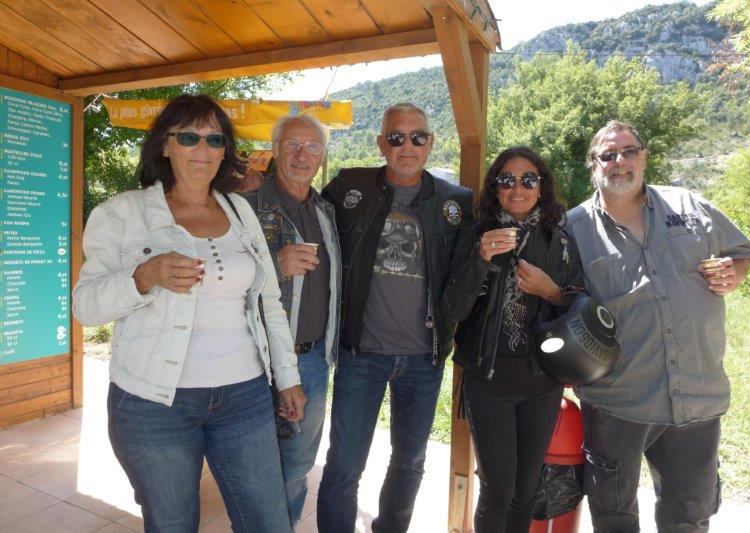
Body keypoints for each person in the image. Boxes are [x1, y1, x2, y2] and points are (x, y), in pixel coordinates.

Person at [72, 94, 305, 533]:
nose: (203, 149)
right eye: (189, 137)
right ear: (164, 144)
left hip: (245, 395)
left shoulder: (239, 210)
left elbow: (268, 300)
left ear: (225, 151)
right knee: (173, 523)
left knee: (269, 521)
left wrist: (287, 376)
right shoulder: (122, 213)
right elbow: (85, 306)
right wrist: (144, 276)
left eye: (215, 139)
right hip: (155, 403)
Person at [566, 120, 750, 532]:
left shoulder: (689, 204)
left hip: (696, 394)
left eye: (628, 151)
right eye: (608, 155)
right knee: (614, 516)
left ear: (644, 156)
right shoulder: (573, 228)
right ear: (593, 165)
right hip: (617, 400)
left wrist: (735, 272)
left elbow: (742, 253)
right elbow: (560, 305)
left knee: (689, 517)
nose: (619, 162)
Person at [316, 102, 473, 532]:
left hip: (424, 357)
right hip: (361, 353)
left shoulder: (455, 201)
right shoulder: (350, 186)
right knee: (344, 464)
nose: (408, 146)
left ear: (430, 142)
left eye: (417, 136)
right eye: (397, 137)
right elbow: (304, 215)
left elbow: (468, 271)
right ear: (381, 143)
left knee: (410, 462)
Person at [441, 146, 582, 533]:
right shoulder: (476, 234)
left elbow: (579, 304)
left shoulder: (558, 240)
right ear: (495, 188)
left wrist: (551, 291)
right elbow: (452, 309)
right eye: (507, 180)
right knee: (498, 491)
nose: (517, 188)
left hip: (543, 382)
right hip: (489, 382)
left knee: (526, 489)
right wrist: (480, 258)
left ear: (541, 187)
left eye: (528, 180)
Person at [242, 114, 341, 526]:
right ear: (275, 150)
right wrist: (275, 267)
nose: (302, 155)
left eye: (312, 147)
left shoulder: (325, 210)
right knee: (253, 466)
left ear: (322, 156)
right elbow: (215, 278)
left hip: (312, 360)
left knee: (297, 466)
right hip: (254, 361)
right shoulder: (245, 206)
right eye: (292, 145)